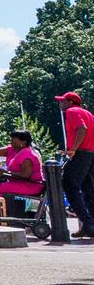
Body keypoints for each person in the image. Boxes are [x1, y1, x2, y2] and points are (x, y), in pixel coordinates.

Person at [57, 92, 94, 237]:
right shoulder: (89, 114)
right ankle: (90, 224)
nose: (60, 104)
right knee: (88, 189)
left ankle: (88, 222)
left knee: (69, 185)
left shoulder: (72, 111)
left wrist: (73, 149)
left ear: (70, 102)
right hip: (91, 153)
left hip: (81, 153)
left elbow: (82, 129)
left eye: (62, 101)